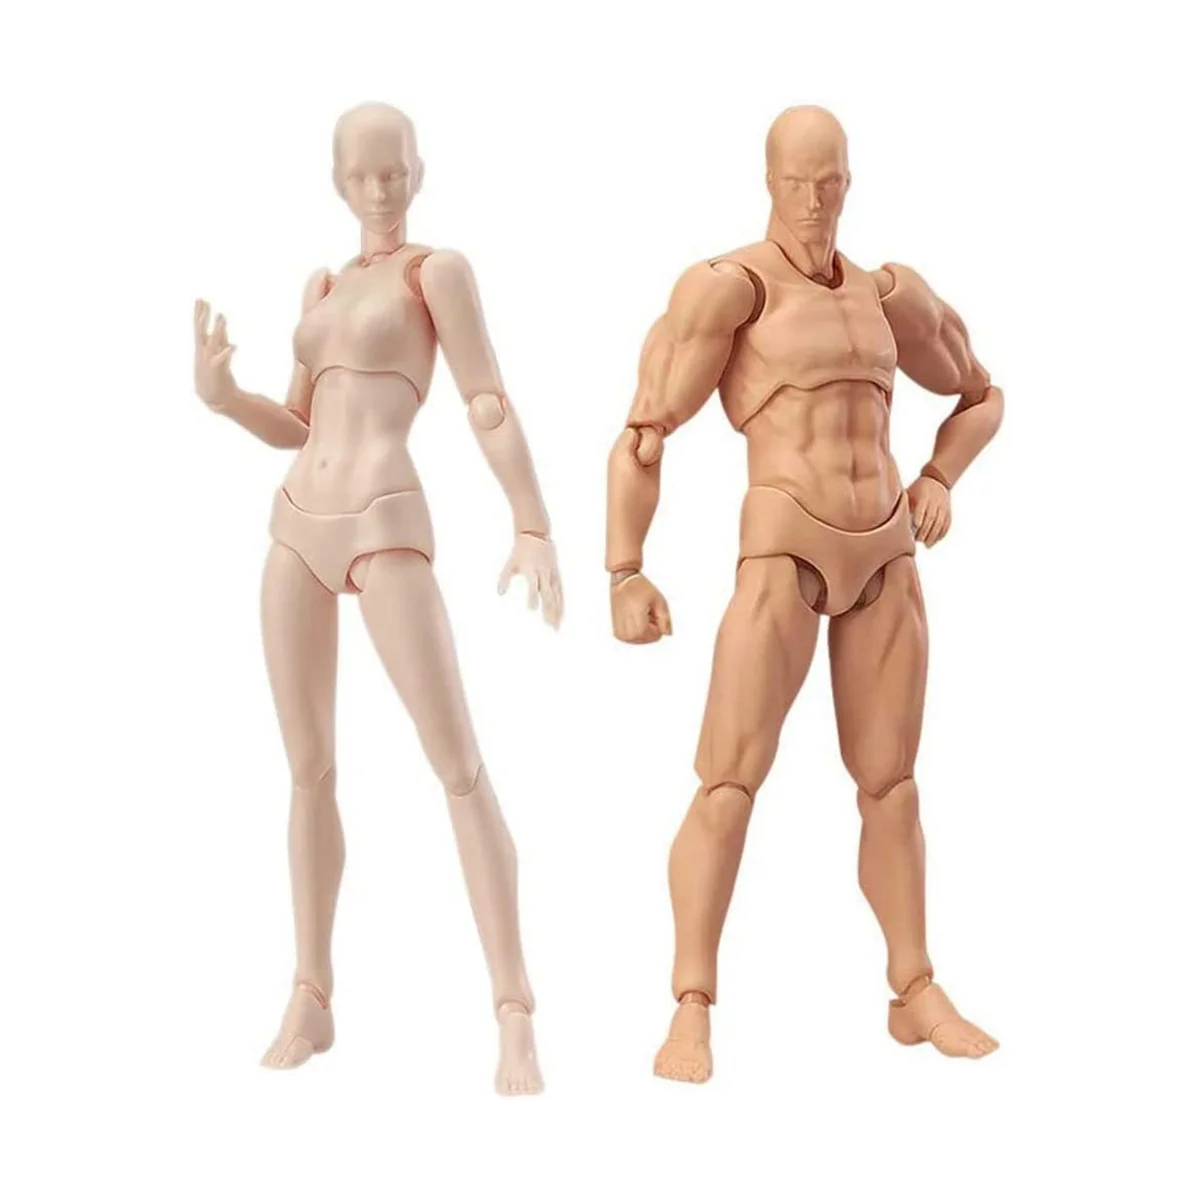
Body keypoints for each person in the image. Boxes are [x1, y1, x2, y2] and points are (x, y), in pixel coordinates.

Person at [606, 106, 1002, 1083]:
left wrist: (940, 477)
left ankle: (914, 988)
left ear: (850, 181)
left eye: (829, 181)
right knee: (728, 781)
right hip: (784, 550)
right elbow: (645, 431)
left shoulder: (889, 293)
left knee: (892, 785)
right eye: (796, 182)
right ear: (768, 182)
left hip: (887, 554)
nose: (814, 201)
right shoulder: (728, 289)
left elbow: (981, 395)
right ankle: (691, 1004)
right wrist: (624, 568)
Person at [193, 102, 559, 1095]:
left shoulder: (435, 273)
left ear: (418, 173)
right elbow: (297, 418)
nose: (381, 188)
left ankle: (514, 1011)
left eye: (395, 170)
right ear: (338, 183)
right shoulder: (320, 285)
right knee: (308, 771)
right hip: (296, 526)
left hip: (384, 519)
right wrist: (226, 400)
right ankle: (311, 994)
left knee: (459, 766)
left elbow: (486, 399)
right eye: (362, 174)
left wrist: (530, 520)